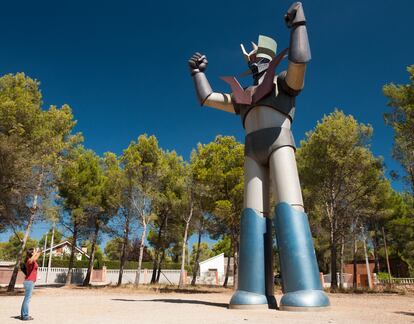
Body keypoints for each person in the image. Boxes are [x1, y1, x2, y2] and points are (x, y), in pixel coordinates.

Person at [20, 247, 41, 321]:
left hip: (29, 281)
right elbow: (33, 258)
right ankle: (25, 316)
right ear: (32, 253)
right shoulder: (29, 261)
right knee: (27, 299)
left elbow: (37, 255)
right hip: (29, 282)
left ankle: (23, 315)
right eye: (34, 251)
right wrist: (36, 252)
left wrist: (38, 251)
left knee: (26, 299)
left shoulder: (32, 261)